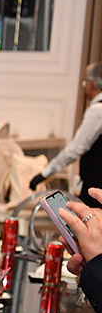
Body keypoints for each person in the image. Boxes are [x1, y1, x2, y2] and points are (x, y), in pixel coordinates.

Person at [30, 62, 102, 209]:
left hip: (97, 183)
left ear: (91, 85)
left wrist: (45, 174)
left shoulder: (97, 111)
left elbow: (76, 149)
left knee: (86, 219)